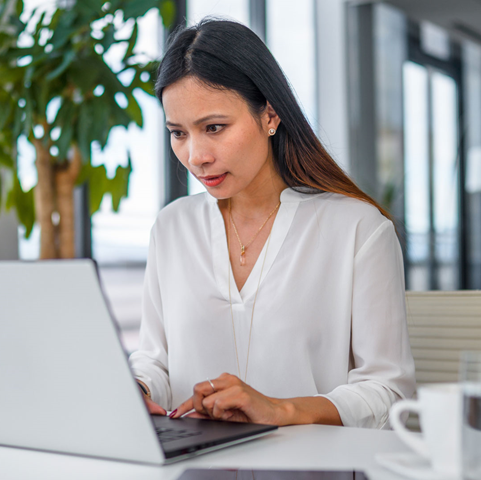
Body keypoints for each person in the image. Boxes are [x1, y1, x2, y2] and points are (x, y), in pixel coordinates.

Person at [129, 19, 416, 429]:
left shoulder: (357, 230)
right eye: (178, 133)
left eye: (214, 128)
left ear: (270, 115)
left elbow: (390, 392)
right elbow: (155, 359)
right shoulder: (171, 228)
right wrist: (137, 388)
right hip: (193, 466)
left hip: (314, 468)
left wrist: (281, 410)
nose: (196, 156)